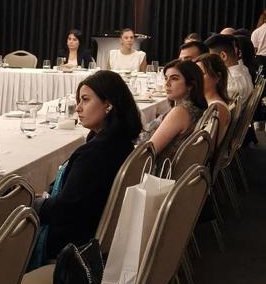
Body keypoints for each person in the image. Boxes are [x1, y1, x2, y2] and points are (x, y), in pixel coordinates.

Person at [31, 70, 142, 262]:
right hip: (91, 234)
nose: (78, 108)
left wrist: (31, 203)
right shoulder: (119, 141)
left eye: (85, 100)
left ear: (108, 104)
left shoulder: (96, 153)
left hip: (71, 245)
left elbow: (65, 210)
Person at [144, 59, 206, 166]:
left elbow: (148, 151)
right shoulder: (195, 107)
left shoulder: (181, 112)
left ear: (190, 85)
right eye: (166, 78)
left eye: (174, 78)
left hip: (160, 169)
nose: (167, 83)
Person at [205, 34, 252, 107]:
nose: (208, 63)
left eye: (210, 59)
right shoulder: (243, 69)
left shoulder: (232, 83)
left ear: (223, 56)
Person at [197, 51, 232, 145]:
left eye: (201, 74)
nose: (195, 79)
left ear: (217, 77)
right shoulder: (212, 104)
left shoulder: (217, 108)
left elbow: (206, 148)